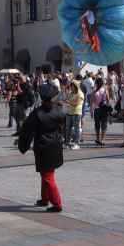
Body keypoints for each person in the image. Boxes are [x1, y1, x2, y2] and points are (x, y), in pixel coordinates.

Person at [19, 84, 65, 213]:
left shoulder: (37, 113)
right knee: (46, 174)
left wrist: (23, 145)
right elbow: (63, 125)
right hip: (55, 145)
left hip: (43, 147)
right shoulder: (59, 110)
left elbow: (27, 131)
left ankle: (57, 204)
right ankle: (45, 199)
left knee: (47, 176)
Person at [64, 81, 84, 150]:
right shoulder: (71, 93)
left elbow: (77, 103)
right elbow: (66, 99)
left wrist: (69, 102)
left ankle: (76, 143)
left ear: (76, 86)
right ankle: (67, 143)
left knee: (76, 129)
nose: (71, 87)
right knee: (68, 129)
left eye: (72, 86)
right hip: (69, 112)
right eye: (71, 86)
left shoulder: (80, 94)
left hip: (76, 113)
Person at [91, 77, 110, 146]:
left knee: (97, 125)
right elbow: (108, 99)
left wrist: (91, 110)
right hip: (103, 109)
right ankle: (101, 139)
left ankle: (98, 139)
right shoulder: (105, 89)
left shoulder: (95, 90)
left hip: (97, 109)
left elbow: (92, 101)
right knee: (103, 125)